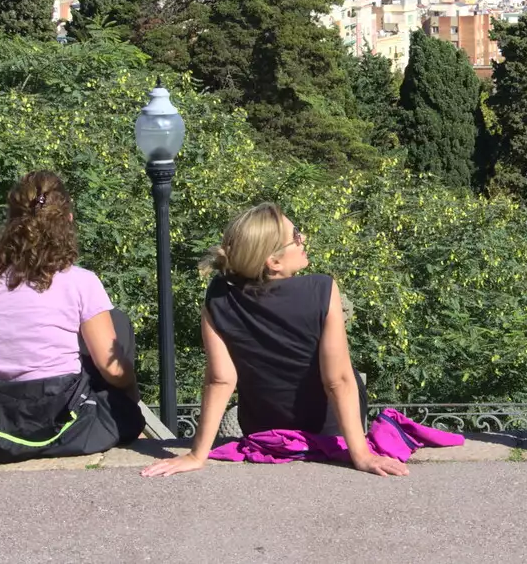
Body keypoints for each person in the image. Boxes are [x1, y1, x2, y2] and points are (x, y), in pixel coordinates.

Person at [141, 203, 407, 478]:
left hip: (261, 430)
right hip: (326, 430)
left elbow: (221, 379)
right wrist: (362, 455)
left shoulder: (218, 296)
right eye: (296, 236)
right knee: (345, 370)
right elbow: (337, 379)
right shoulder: (321, 289)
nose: (303, 240)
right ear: (274, 262)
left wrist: (197, 455)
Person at [0, 170, 144, 462]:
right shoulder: (81, 281)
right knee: (116, 322)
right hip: (56, 422)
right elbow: (113, 370)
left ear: (10, 222)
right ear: (67, 221)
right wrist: (130, 393)